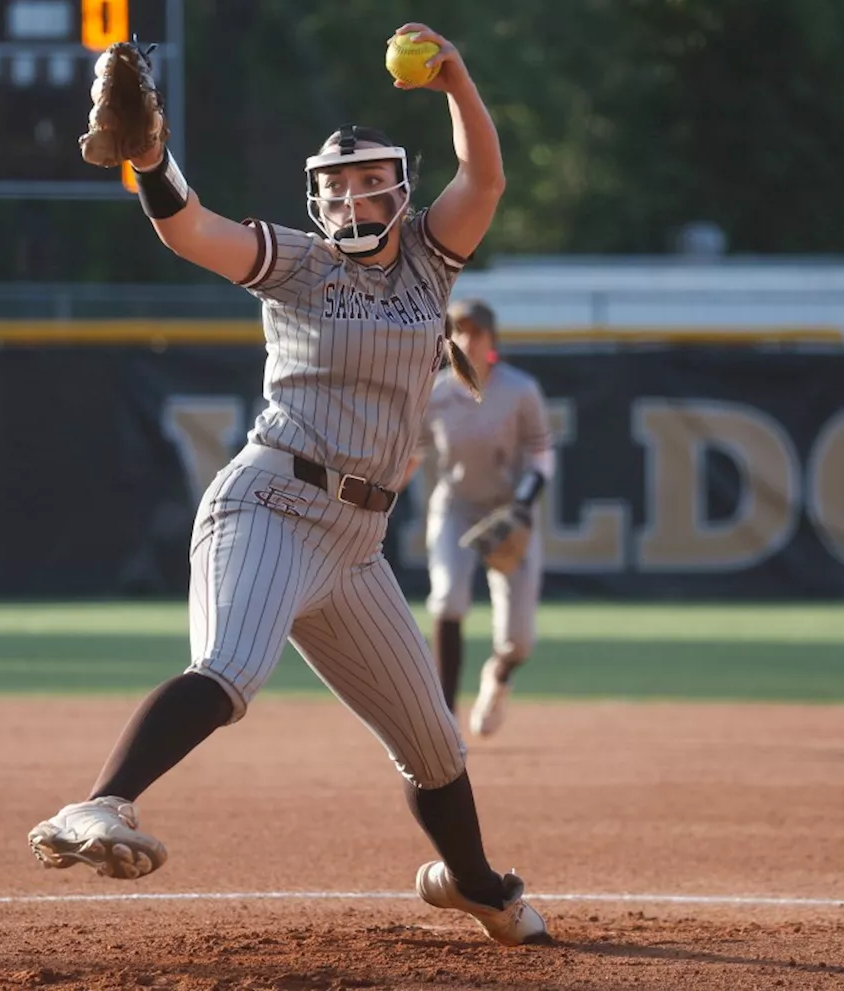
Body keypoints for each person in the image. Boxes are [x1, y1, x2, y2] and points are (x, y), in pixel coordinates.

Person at [28, 23, 549, 947]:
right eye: (337, 185)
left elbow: (488, 179)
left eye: (368, 179)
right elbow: (189, 227)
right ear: (317, 199)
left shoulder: (431, 262)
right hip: (271, 500)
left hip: (356, 544)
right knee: (230, 670)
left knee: (433, 744)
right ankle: (99, 804)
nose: (353, 195)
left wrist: (458, 79)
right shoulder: (298, 264)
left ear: (398, 185)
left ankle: (476, 886)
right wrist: (152, 158)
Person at [403, 300, 554, 737]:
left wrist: (523, 506)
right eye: (458, 332)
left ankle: (499, 677)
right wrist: (383, 487)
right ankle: (445, 717)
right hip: (457, 506)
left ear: (492, 341)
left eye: (475, 332)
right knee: (448, 599)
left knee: (518, 640)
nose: (466, 339)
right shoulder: (436, 392)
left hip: (510, 508)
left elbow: (543, 458)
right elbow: (413, 454)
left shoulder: (520, 390)